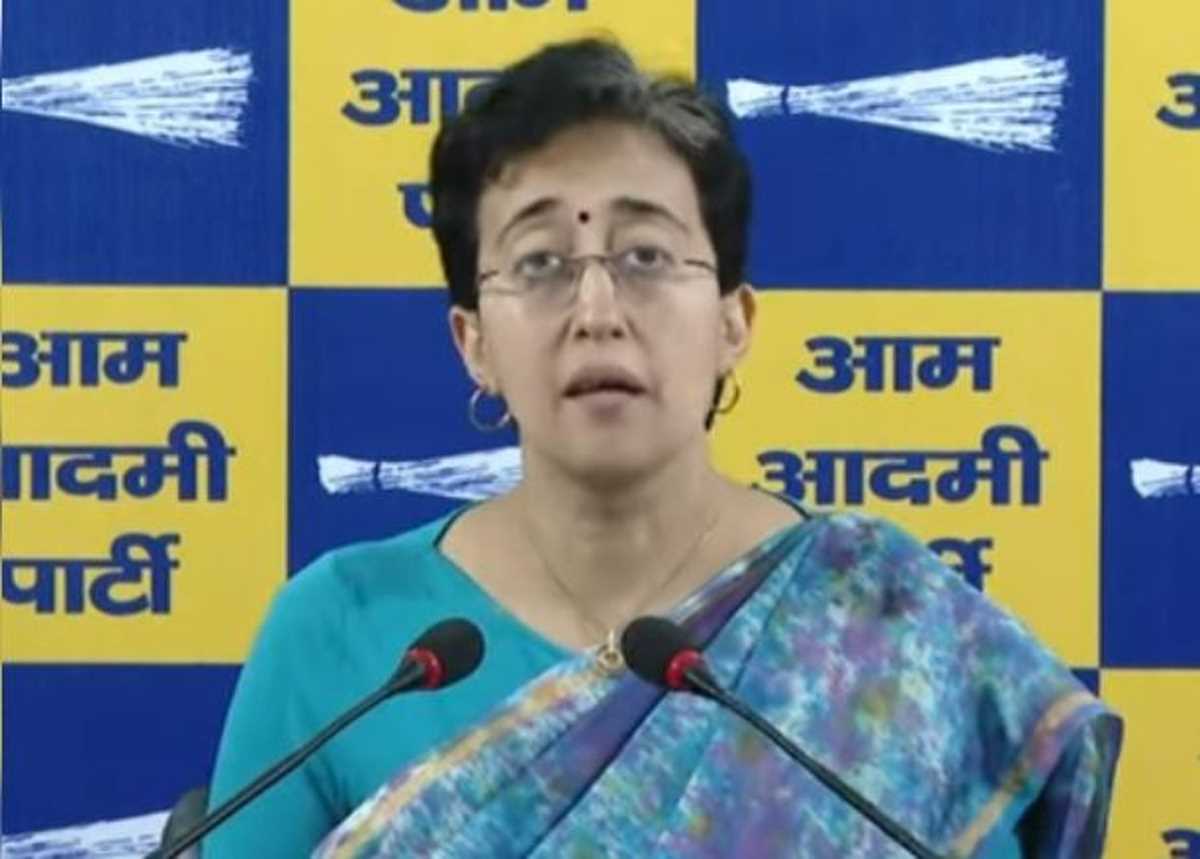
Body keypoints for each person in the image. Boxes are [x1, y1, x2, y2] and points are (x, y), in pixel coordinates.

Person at [206, 38, 1121, 858]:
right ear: (473, 340)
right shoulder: (345, 633)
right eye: (540, 264)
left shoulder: (882, 624)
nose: (597, 312)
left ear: (733, 322)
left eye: (645, 255)